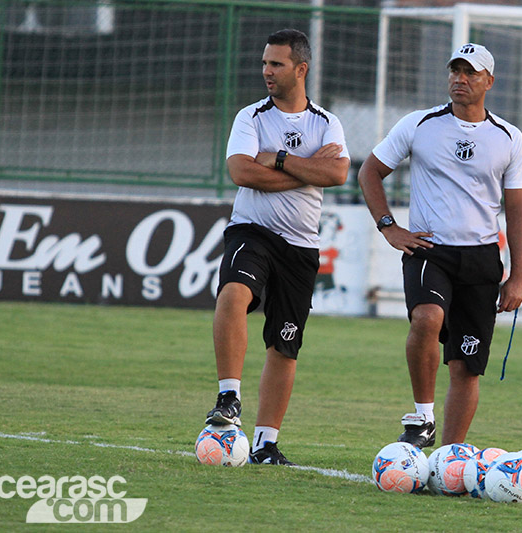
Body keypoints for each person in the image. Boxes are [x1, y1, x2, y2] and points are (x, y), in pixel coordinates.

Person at [357, 43, 522, 448]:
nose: (460, 79)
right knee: (427, 318)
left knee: (466, 367)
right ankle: (421, 418)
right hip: (429, 251)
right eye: (455, 71)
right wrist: (389, 226)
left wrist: (517, 276)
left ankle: (450, 457)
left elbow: (518, 211)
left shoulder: (509, 138)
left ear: (489, 81)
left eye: (470, 72)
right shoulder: (419, 124)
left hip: (482, 259)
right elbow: (370, 171)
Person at [205, 28, 349, 465]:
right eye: (265, 62)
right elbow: (242, 173)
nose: (266, 71)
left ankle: (265, 444)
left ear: (300, 69)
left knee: (285, 344)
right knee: (233, 293)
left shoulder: (327, 122)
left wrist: (282, 160)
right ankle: (229, 397)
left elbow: (339, 174)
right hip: (252, 230)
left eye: (276, 64)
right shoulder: (250, 117)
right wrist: (309, 169)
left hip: (302, 246)